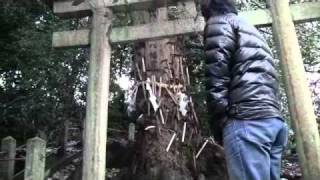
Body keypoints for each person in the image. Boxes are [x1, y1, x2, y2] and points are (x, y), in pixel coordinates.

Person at [201, 0, 288, 179]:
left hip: (246, 122)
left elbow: (216, 77)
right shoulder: (249, 28)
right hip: (273, 121)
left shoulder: (219, 23)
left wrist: (221, 125)